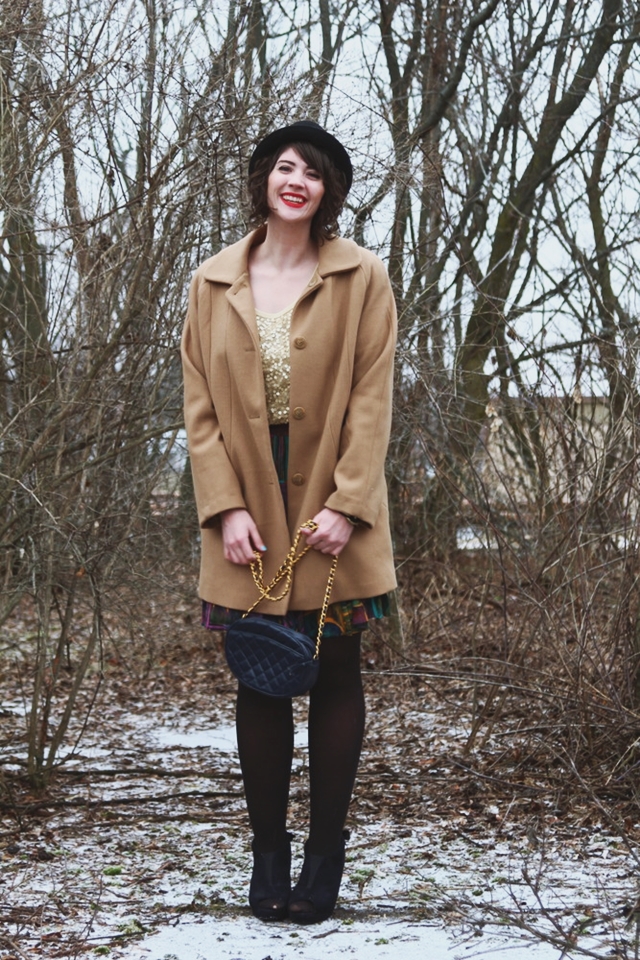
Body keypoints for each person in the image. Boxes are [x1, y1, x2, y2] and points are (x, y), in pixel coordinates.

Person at [181, 120, 397, 925]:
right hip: (245, 506)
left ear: (328, 190)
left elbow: (373, 399)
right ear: (263, 182)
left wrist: (348, 505)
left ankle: (324, 860)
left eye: (311, 169)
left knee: (337, 671)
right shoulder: (210, 282)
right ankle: (266, 860)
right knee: (258, 678)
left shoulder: (362, 276)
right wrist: (224, 507)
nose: (295, 177)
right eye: (283, 165)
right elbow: (199, 409)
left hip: (335, 505)